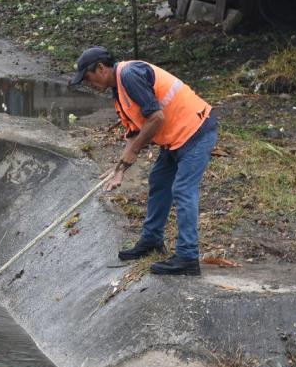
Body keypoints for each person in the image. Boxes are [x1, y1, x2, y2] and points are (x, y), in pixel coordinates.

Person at [70, 46, 217, 275]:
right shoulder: (118, 92)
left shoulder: (129, 75)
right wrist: (120, 168)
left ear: (100, 68)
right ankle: (151, 242)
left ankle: (188, 258)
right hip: (176, 138)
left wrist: (134, 152)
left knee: (182, 189)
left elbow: (156, 118)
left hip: (196, 131)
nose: (89, 84)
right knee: (159, 181)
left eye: (88, 78)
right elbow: (133, 134)